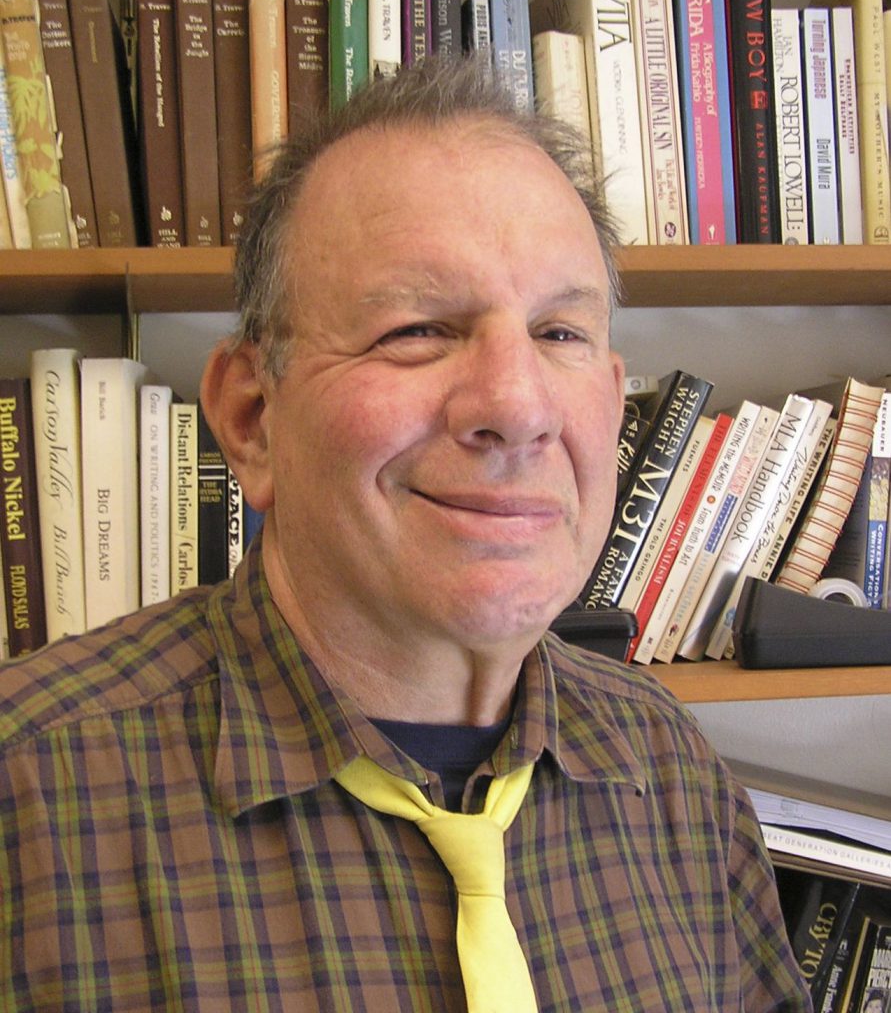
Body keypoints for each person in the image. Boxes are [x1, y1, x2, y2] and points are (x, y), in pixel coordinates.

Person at [0, 58, 809, 1011]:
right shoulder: (30, 794)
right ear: (254, 417)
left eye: (558, 333)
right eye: (418, 330)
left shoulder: (673, 773)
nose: (516, 407)